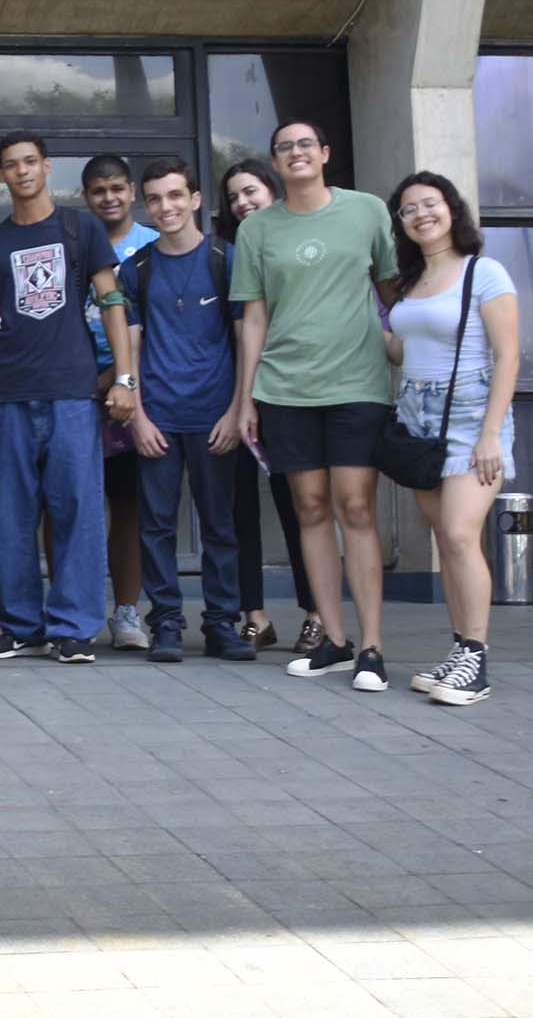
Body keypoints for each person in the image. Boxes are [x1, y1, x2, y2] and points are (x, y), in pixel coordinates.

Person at [229, 119, 399, 691]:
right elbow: (253, 318)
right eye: (285, 148)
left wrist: (405, 347)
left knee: (355, 508)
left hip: (357, 384)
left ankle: (372, 645)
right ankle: (334, 638)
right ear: (275, 164)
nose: (296, 153)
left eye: (306, 144)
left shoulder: (367, 211)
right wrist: (246, 397)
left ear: (324, 153)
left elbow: (391, 288)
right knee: (309, 508)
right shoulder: (258, 231)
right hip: (284, 389)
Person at [0, 131, 139, 663]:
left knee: (78, 512)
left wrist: (126, 378)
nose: (21, 172)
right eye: (10, 165)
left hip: (72, 392)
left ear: (46, 167)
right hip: (9, 393)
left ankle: (74, 629)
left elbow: (111, 299)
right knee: (7, 517)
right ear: (0, 175)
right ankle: (20, 626)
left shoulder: (79, 226)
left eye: (30, 162)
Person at [389, 173, 518, 708]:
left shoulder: (483, 271)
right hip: (418, 418)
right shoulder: (410, 282)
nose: (421, 214)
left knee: (463, 534)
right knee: (446, 538)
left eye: (430, 204)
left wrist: (491, 433)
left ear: (452, 209)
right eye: (408, 209)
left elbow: (510, 355)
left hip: (470, 414)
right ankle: (462, 650)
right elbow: (402, 352)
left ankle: (477, 660)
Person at [120, 158, 245, 663]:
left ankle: (222, 624)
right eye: (154, 199)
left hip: (216, 416)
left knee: (220, 525)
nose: (165, 207)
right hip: (159, 419)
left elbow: (245, 340)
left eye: (175, 196)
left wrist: (238, 411)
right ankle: (166, 623)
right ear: (145, 206)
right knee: (156, 526)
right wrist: (139, 417)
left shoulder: (226, 258)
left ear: (195, 199)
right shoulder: (138, 269)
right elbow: (129, 350)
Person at [218, 158, 321, 656]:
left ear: (273, 191)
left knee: (301, 507)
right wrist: (240, 402)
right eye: (234, 196)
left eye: (250, 192)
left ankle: (316, 613)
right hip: (238, 397)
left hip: (289, 395)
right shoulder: (229, 254)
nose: (242, 203)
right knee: (240, 511)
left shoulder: (291, 248)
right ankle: (254, 615)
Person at [80, 154, 163, 651]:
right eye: (98, 191)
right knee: (67, 504)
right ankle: (70, 608)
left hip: (132, 394)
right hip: (75, 392)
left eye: (116, 188)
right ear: (86, 197)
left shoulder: (152, 248)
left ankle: (127, 612)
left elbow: (158, 325)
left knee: (127, 504)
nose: (108, 198)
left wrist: (118, 376)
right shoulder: (78, 243)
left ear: (132, 191)